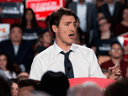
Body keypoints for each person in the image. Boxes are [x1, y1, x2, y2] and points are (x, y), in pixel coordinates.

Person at [29, 7, 121, 81]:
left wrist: (109, 79)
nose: (73, 29)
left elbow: (98, 86)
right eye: (67, 24)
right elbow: (34, 91)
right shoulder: (41, 59)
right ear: (55, 28)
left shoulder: (88, 54)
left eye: (74, 24)